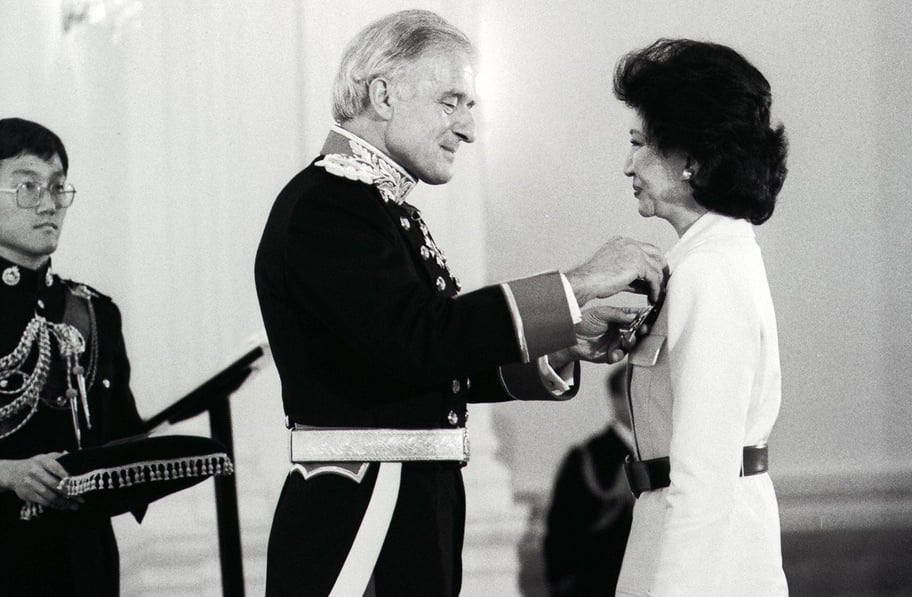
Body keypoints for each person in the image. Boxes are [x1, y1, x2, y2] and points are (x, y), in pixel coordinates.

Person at [254, 9, 666, 597]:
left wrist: (564, 333)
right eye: (452, 102)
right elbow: (419, 340)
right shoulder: (330, 205)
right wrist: (576, 284)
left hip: (407, 501)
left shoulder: (375, 207)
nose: (468, 129)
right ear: (383, 94)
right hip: (364, 510)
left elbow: (431, 357)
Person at [611, 39, 790, 596]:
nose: (627, 165)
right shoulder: (701, 261)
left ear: (691, 159)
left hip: (707, 558)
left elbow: (704, 473)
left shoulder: (711, 270)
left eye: (640, 144)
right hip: (680, 532)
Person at [0, 118, 146, 595]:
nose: (49, 204)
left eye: (58, 187)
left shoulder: (95, 313)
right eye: (27, 185)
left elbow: (122, 435)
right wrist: (8, 473)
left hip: (82, 562)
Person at [544, 364, 635, 597]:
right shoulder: (588, 457)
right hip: (597, 584)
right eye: (632, 393)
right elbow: (562, 529)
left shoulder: (668, 451)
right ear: (615, 399)